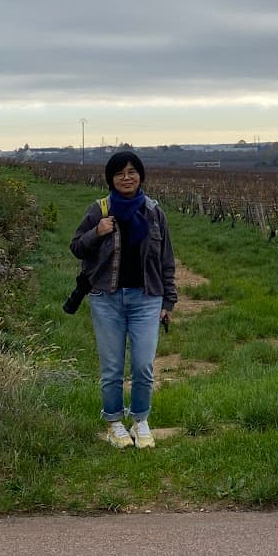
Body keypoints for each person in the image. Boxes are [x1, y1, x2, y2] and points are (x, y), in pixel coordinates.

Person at [68, 152, 176, 448]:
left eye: (132, 172)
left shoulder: (153, 212)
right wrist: (97, 232)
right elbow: (76, 247)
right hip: (107, 298)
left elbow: (166, 260)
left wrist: (169, 302)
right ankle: (114, 424)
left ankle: (140, 420)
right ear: (110, 179)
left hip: (146, 299)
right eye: (119, 174)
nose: (126, 178)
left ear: (140, 176)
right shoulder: (99, 210)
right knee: (112, 367)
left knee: (143, 365)